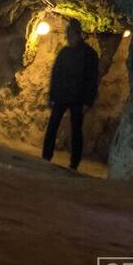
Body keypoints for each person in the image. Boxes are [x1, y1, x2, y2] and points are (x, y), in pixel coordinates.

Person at [42, 19, 99, 170]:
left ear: (78, 34)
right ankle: (46, 156)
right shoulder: (65, 53)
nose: (68, 38)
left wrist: (88, 101)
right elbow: (56, 74)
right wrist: (52, 96)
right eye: (67, 35)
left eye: (70, 34)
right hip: (61, 95)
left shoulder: (89, 55)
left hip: (78, 98)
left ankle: (74, 163)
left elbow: (92, 79)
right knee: (53, 125)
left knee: (76, 130)